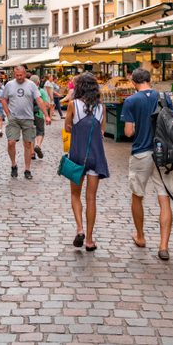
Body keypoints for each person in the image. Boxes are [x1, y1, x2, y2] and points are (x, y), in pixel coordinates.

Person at [123, 68, 173, 259]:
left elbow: (128, 132)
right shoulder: (163, 96)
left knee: (138, 195)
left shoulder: (130, 101)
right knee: (164, 198)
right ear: (150, 80)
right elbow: (172, 121)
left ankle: (141, 236)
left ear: (133, 82)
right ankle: (163, 246)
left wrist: (138, 127)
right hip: (163, 152)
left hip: (141, 153)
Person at [64, 73, 110, 251]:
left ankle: (80, 228)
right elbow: (102, 132)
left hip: (77, 155)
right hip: (96, 157)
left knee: (75, 194)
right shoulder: (102, 108)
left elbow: (67, 127)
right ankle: (90, 240)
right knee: (91, 198)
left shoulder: (73, 105)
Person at [1, 65, 49, 180]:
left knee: (28, 144)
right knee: (11, 142)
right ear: (14, 74)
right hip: (14, 118)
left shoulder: (31, 85)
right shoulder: (9, 85)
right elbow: (3, 99)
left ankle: (27, 169)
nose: (19, 77)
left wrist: (46, 115)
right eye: (16, 75)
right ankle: (13, 165)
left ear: (24, 73)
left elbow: (39, 100)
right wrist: (7, 113)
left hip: (28, 118)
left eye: (21, 75)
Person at [31, 74, 52, 159]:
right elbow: (46, 104)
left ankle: (32, 153)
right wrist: (47, 114)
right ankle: (38, 145)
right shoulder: (42, 91)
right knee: (40, 131)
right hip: (39, 114)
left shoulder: (28, 91)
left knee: (31, 133)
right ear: (38, 82)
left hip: (29, 115)